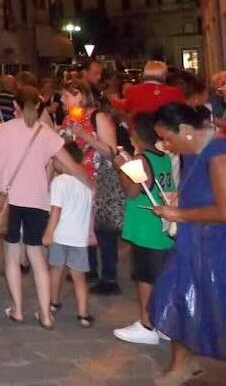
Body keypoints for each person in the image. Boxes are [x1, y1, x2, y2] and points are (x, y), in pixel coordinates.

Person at [0, 87, 90, 329]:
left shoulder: (2, 130)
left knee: (12, 257)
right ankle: (45, 314)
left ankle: (17, 310)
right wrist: (89, 184)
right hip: (37, 200)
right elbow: (70, 164)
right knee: (37, 258)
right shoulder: (46, 133)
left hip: (10, 201)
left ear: (14, 106)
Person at [149, 103, 226, 384]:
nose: (166, 145)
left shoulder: (218, 153)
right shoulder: (192, 151)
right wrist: (177, 199)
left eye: (168, 138)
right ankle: (181, 364)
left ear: (184, 130)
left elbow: (224, 211)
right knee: (175, 297)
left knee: (213, 306)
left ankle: (186, 364)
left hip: (216, 247)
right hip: (191, 242)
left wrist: (178, 213)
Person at [112, 113, 176, 346]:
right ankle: (164, 324)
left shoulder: (141, 158)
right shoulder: (163, 157)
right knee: (160, 278)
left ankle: (147, 324)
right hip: (162, 228)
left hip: (146, 229)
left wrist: (121, 167)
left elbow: (133, 190)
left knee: (145, 278)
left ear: (136, 135)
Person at [61, 79, 122, 295]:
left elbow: (111, 151)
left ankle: (109, 276)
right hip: (78, 179)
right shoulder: (69, 118)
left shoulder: (99, 117)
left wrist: (85, 135)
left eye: (66, 96)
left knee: (103, 228)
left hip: (100, 177)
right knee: (83, 224)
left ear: (79, 96)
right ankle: (89, 268)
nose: (62, 100)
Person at [42, 142, 95, 328]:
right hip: (79, 237)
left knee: (55, 269)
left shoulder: (59, 182)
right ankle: (83, 315)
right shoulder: (86, 183)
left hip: (60, 235)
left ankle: (53, 302)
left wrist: (48, 232)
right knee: (79, 276)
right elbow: (90, 212)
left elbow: (55, 210)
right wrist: (90, 232)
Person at [114, 60, 186, 115]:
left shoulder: (133, 90)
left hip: (140, 131)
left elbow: (126, 108)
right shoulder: (174, 92)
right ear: (164, 75)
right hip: (166, 131)